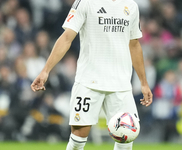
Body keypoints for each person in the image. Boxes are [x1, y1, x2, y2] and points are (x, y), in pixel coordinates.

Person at [31, 0, 153, 150]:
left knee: (126, 140)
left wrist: (143, 82)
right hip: (89, 82)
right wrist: (45, 70)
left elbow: (134, 44)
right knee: (77, 140)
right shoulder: (85, 2)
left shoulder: (131, 6)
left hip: (121, 84)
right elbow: (66, 38)